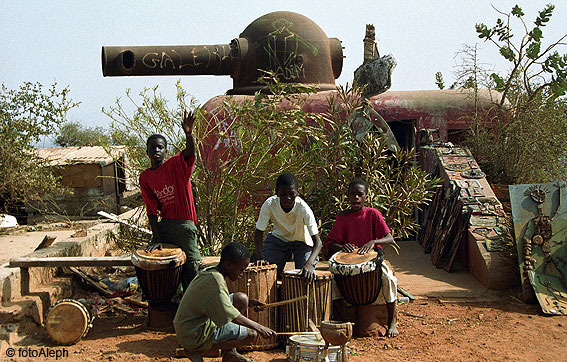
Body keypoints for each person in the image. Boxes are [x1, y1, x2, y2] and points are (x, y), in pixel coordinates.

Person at [174, 242, 276, 362]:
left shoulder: (212, 272)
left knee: (241, 299)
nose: (242, 274)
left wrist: (249, 302)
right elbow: (231, 315)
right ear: (228, 264)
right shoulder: (216, 281)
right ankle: (195, 349)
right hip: (194, 333)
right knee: (251, 334)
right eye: (241, 270)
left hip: (188, 326)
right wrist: (259, 327)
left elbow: (216, 300)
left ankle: (230, 354)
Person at [325, 179, 399, 337]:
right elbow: (330, 242)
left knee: (389, 279)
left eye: (360, 194)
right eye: (353, 194)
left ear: (366, 197)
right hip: (348, 264)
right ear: (348, 196)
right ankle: (342, 321)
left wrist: (374, 241)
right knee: (332, 282)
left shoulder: (373, 214)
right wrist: (341, 247)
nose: (356, 198)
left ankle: (392, 321)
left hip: (373, 261)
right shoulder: (342, 217)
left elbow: (389, 238)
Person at [139, 110, 200, 290]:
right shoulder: (145, 178)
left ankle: (192, 308)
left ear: (166, 150)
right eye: (153, 147)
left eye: (160, 147)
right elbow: (151, 210)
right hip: (166, 226)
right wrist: (156, 236)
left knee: (192, 267)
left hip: (185, 226)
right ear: (147, 151)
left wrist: (189, 134)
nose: (156, 150)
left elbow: (190, 152)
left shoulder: (176, 165)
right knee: (164, 269)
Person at [254, 172, 322, 282]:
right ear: (277, 193)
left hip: (302, 243)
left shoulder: (304, 209)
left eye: (291, 194)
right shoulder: (269, 204)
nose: (288, 198)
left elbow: (318, 243)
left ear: (297, 193)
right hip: (279, 240)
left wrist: (309, 264)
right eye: (283, 194)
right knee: (266, 273)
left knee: (304, 275)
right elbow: (258, 232)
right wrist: (260, 258)